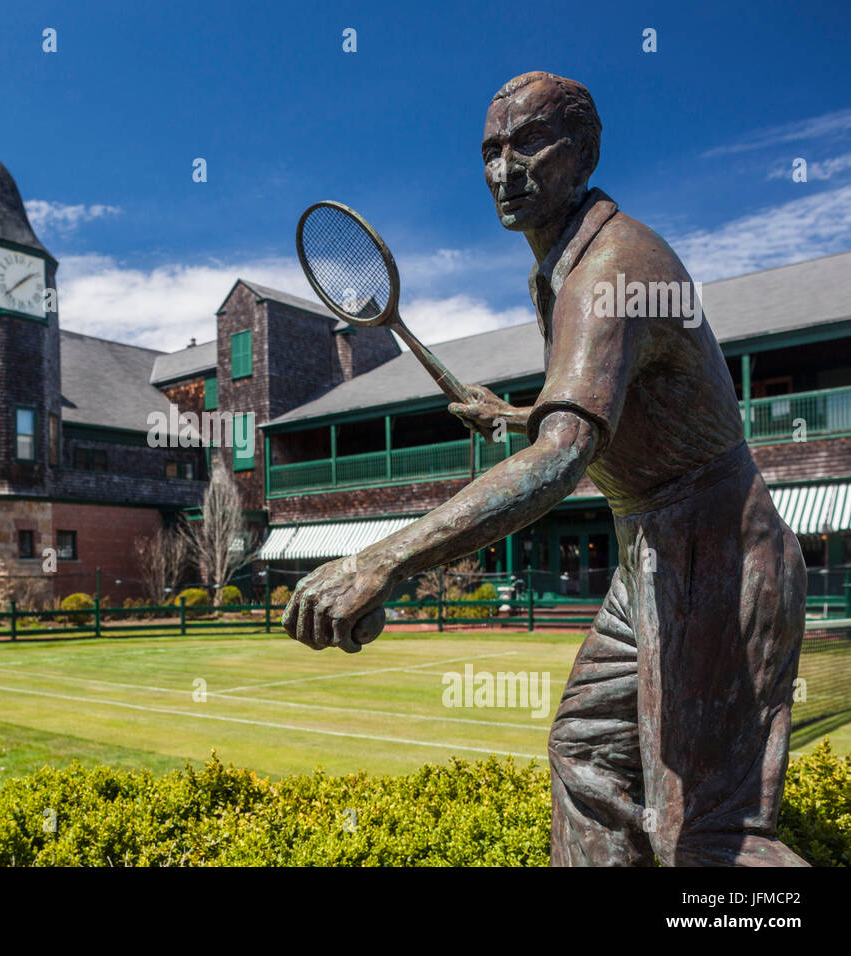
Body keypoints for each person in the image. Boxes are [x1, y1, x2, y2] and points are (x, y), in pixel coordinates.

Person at [281, 71, 807, 867]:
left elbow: (563, 459)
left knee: (706, 839)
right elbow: (605, 412)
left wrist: (381, 558)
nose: (504, 169)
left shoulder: (612, 269)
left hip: (717, 552)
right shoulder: (561, 266)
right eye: (491, 150)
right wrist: (515, 415)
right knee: (587, 753)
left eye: (530, 143)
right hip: (653, 555)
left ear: (585, 152)